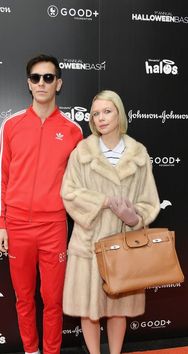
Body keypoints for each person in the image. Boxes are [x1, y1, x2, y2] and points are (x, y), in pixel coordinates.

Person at [0, 54, 83, 354]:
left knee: (53, 300)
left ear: (59, 83)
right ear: (28, 84)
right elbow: (0, 178)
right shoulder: (11, 125)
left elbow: (79, 185)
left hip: (54, 226)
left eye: (48, 77)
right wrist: (0, 224)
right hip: (17, 226)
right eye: (36, 78)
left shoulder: (73, 131)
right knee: (23, 297)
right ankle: (31, 351)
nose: (41, 83)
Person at [61, 90, 160, 354]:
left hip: (124, 244)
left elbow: (150, 200)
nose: (101, 118)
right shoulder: (82, 152)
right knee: (89, 309)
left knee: (119, 309)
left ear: (119, 113)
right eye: (96, 113)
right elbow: (69, 193)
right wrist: (102, 202)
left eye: (107, 111)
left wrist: (134, 217)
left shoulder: (138, 153)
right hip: (90, 243)